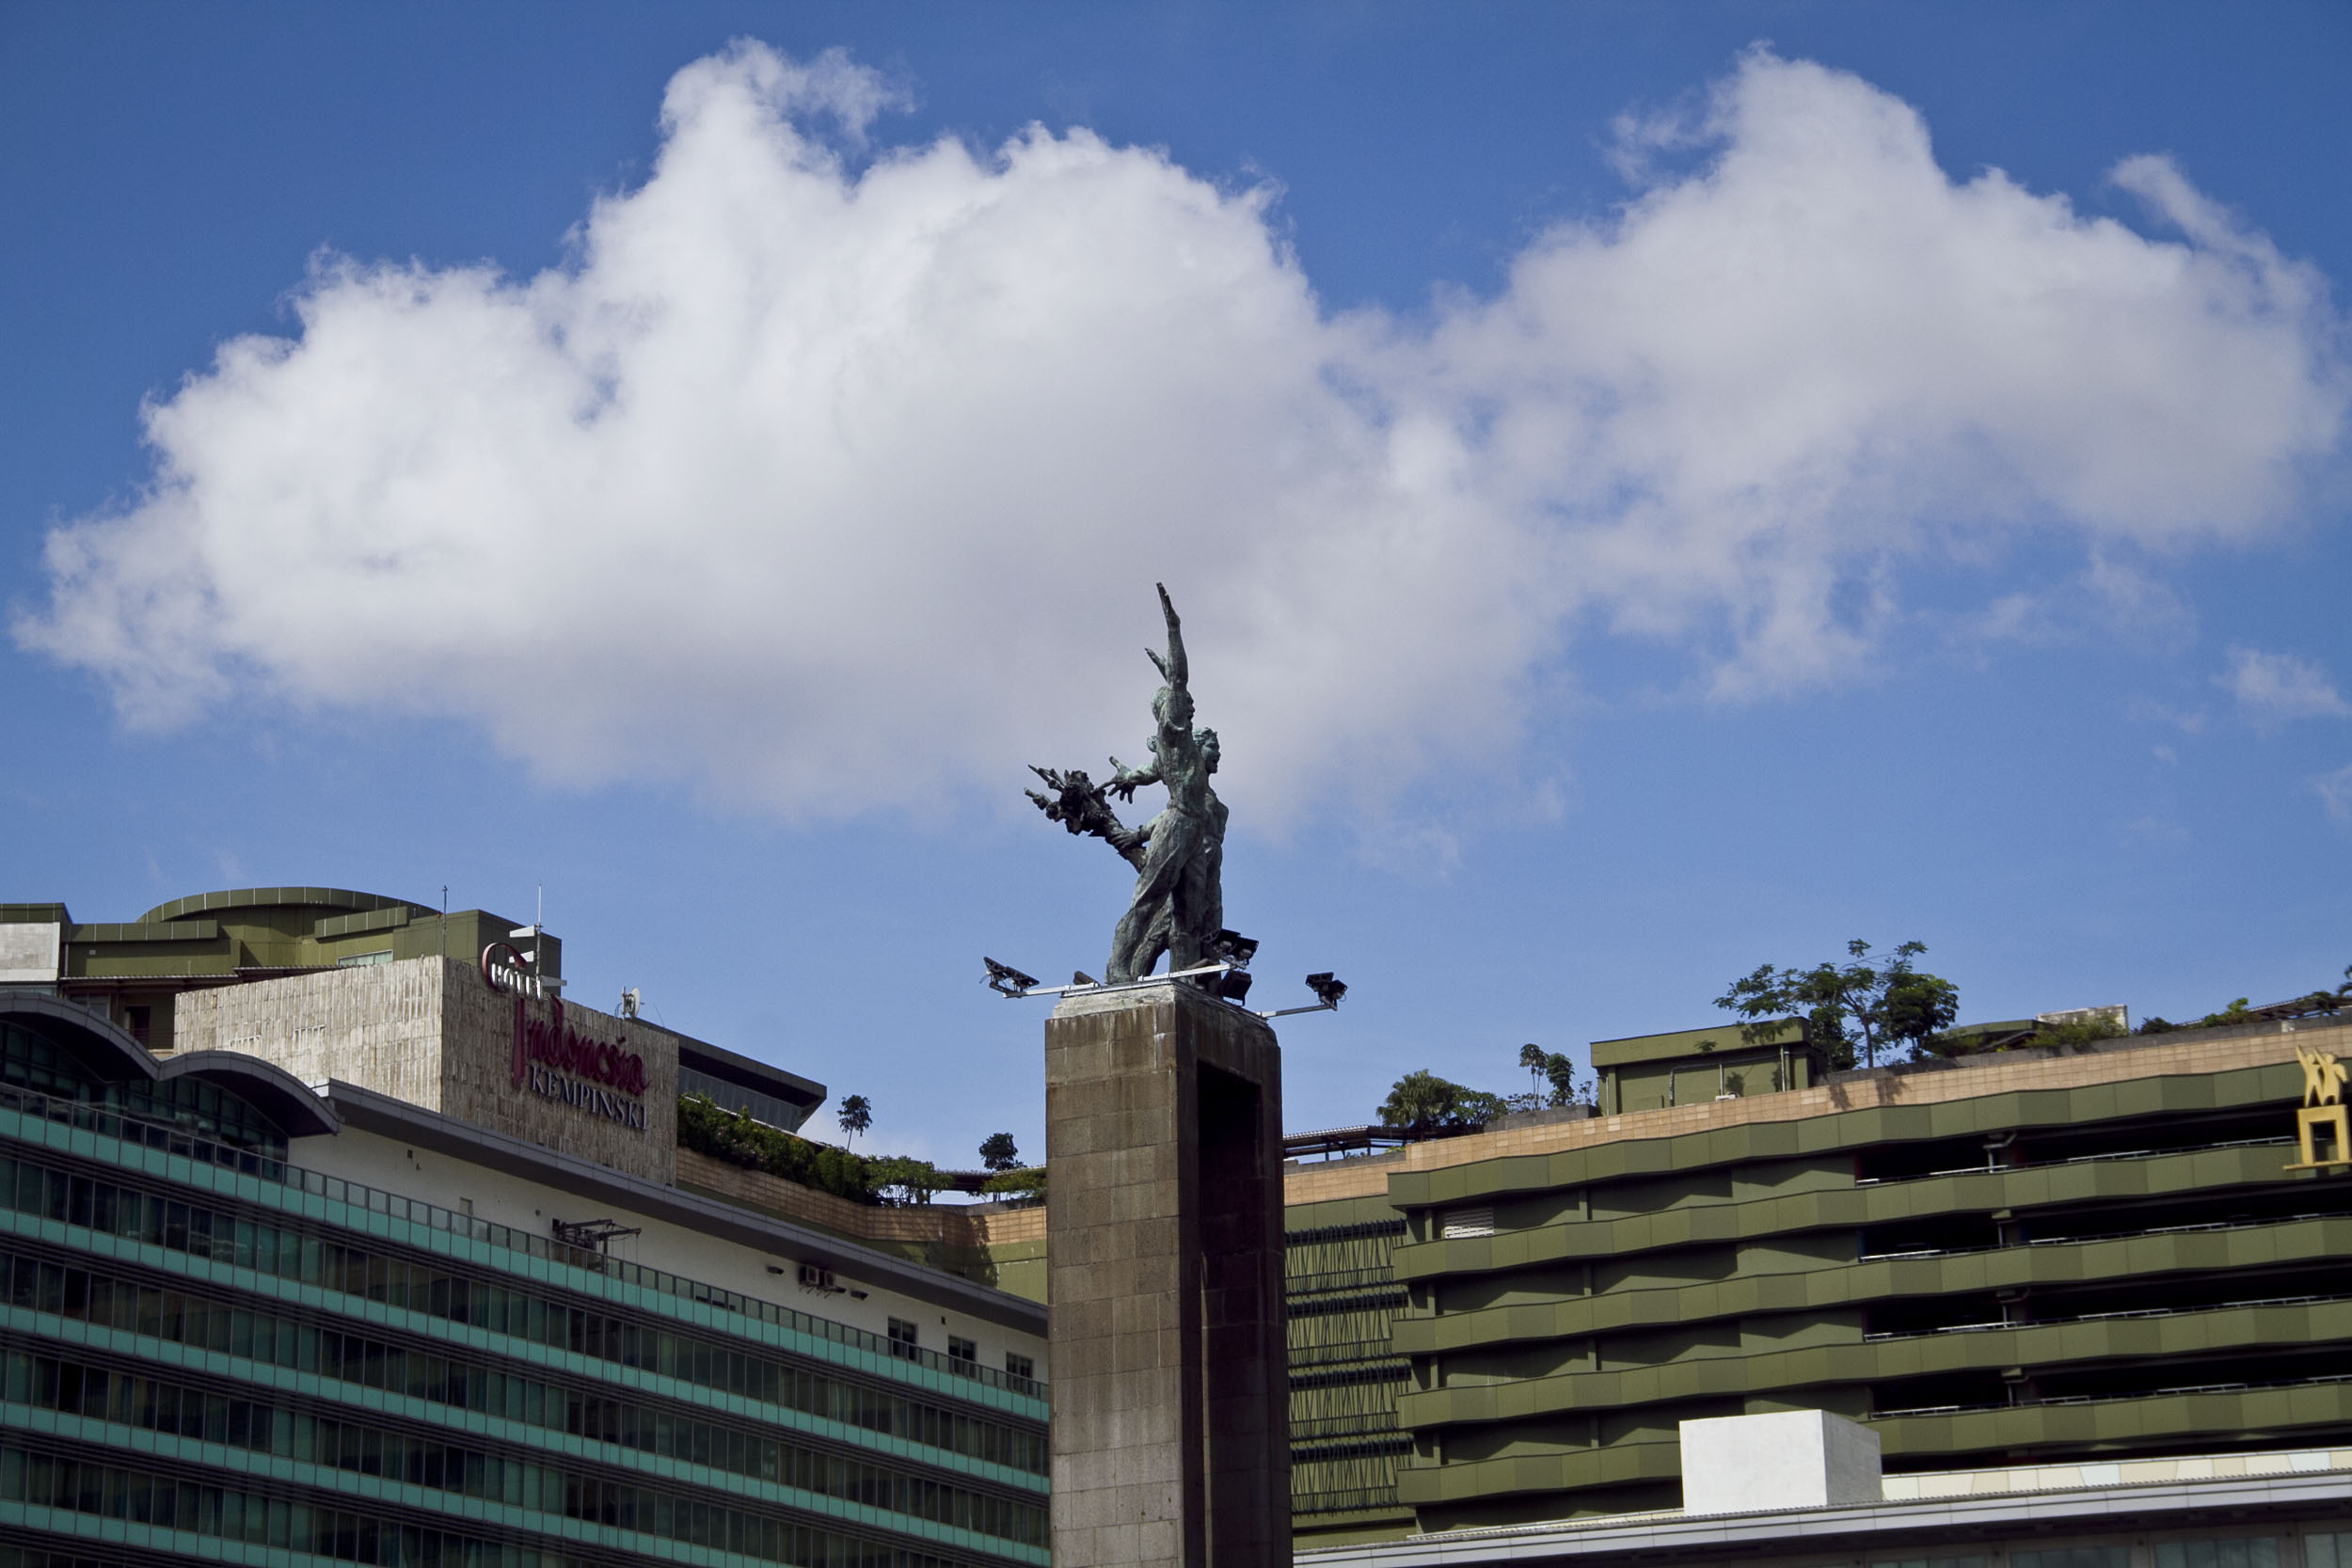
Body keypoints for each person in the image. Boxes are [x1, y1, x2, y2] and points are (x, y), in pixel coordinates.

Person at [1103, 586, 1228, 983]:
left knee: (1189, 916)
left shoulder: (1182, 750)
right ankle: (1118, 968)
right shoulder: (1173, 736)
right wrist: (1174, 630)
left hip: (1194, 831)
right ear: (1168, 712)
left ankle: (1185, 979)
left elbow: (1140, 773)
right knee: (1148, 900)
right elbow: (1178, 680)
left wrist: (1127, 776)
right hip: (1177, 824)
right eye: (1183, 704)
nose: (1191, 705)